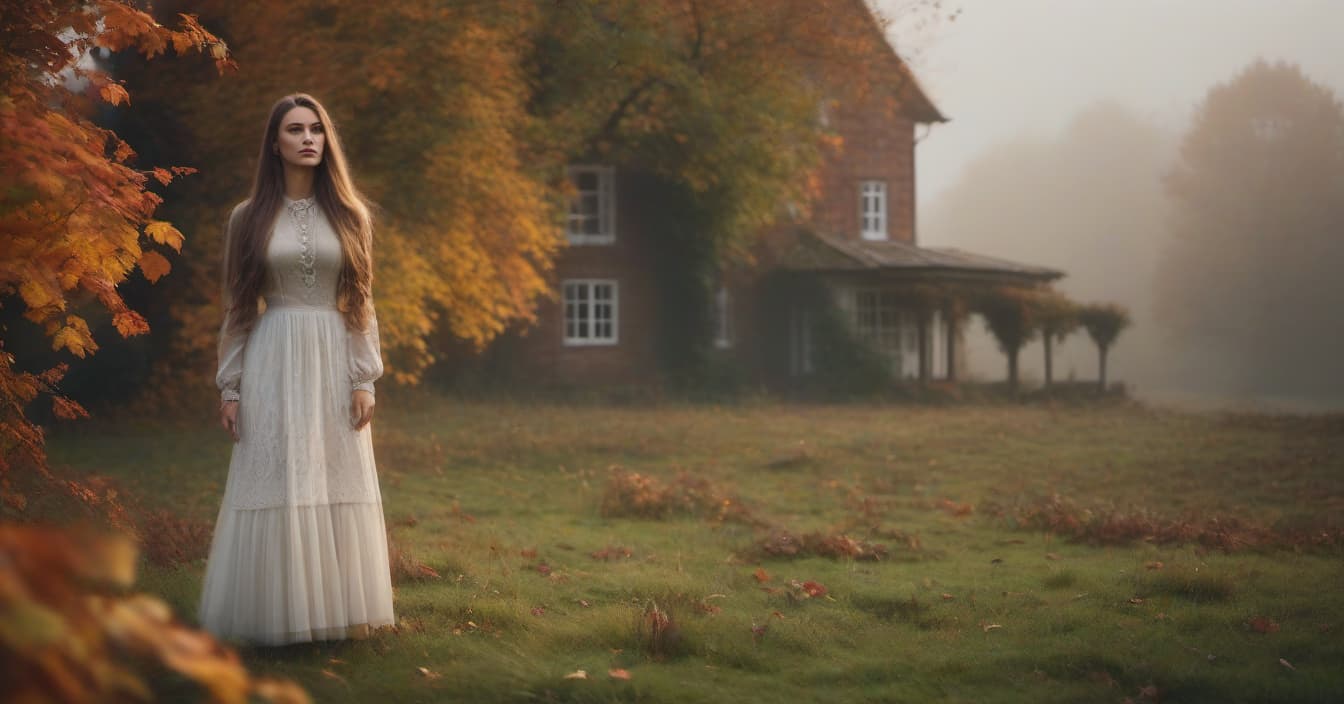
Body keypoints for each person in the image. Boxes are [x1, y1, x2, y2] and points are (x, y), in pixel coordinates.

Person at [198, 93, 395, 645]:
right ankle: (274, 617)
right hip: (273, 352)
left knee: (335, 473)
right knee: (277, 472)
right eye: (295, 130)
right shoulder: (247, 217)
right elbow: (238, 308)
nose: (309, 138)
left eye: (317, 129)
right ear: (275, 143)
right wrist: (230, 387)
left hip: (334, 354)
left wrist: (363, 379)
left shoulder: (351, 214)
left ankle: (334, 615)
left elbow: (361, 299)